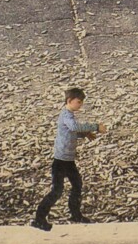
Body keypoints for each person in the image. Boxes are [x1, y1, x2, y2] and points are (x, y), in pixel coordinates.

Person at [32, 87, 106, 231]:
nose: (81, 105)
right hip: (61, 161)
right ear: (69, 100)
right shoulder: (66, 115)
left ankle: (75, 215)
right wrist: (96, 127)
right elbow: (73, 127)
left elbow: (70, 133)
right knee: (57, 190)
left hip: (68, 160)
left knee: (77, 185)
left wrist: (85, 134)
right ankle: (39, 219)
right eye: (79, 102)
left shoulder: (69, 115)